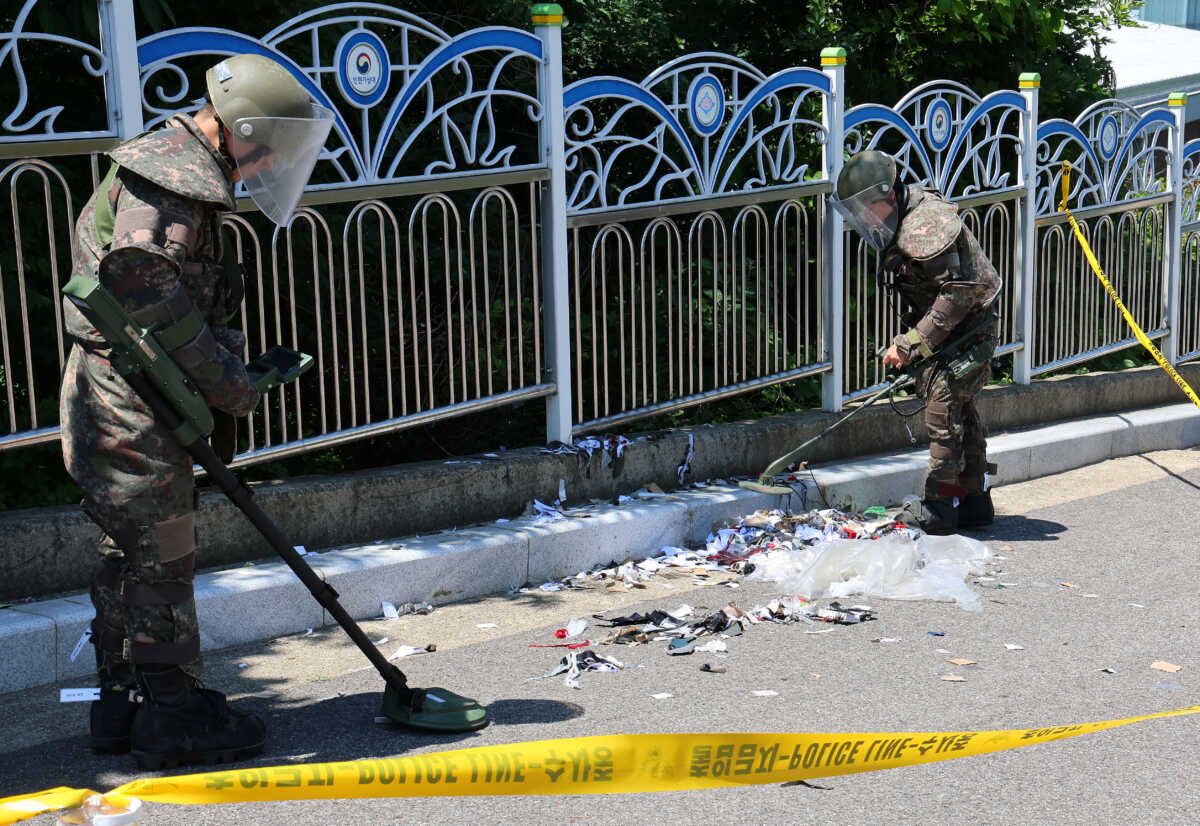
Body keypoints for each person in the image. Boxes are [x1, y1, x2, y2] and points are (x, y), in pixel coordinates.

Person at [59, 53, 333, 770]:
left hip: (124, 392)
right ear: (237, 127)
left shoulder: (176, 167)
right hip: (131, 401)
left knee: (131, 553)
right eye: (266, 142)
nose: (269, 159)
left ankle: (122, 704)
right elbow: (140, 282)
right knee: (162, 556)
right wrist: (228, 384)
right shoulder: (173, 180)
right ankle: (172, 715)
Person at [831, 150, 1001, 535]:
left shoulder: (926, 223)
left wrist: (911, 343)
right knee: (960, 408)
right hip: (955, 327)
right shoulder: (902, 216)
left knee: (943, 411)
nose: (866, 216)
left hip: (970, 327)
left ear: (888, 194)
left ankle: (939, 506)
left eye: (867, 206)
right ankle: (974, 500)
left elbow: (957, 294)